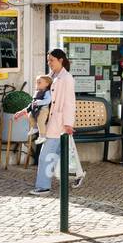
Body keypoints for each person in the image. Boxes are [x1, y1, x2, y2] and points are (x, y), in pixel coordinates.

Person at [31, 48, 83, 194]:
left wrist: (68, 123)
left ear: (60, 60)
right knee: (64, 155)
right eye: (48, 60)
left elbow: (69, 103)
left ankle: (43, 187)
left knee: (46, 156)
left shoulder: (67, 78)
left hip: (58, 123)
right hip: (51, 121)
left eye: (51, 60)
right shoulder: (50, 76)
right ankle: (78, 174)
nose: (49, 63)